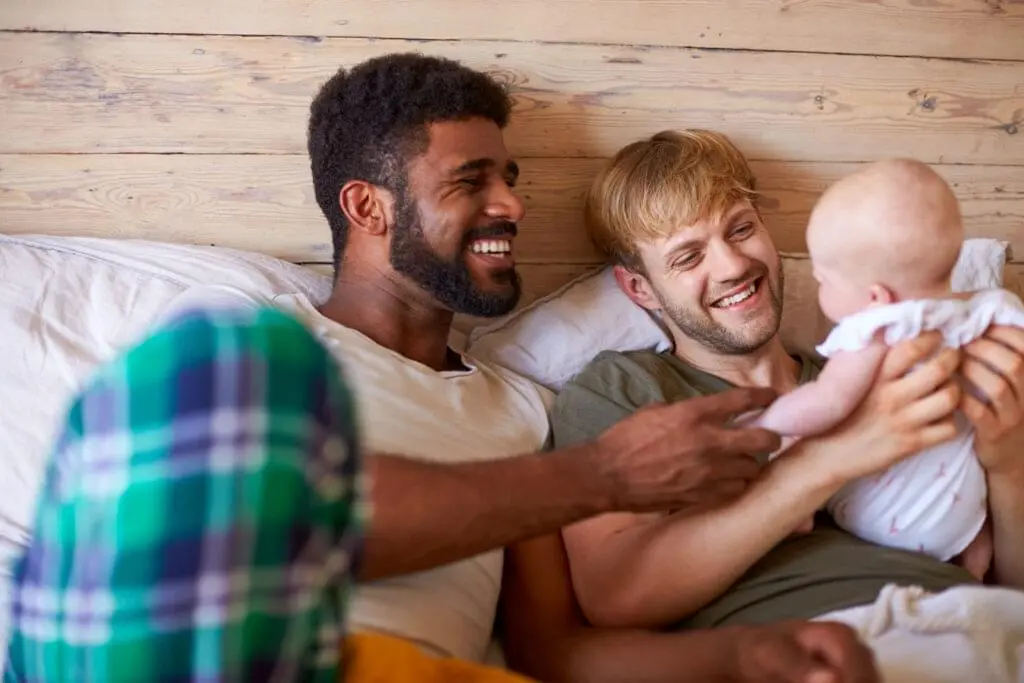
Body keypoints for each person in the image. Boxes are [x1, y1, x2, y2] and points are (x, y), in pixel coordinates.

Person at [2, 55, 880, 682]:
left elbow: (558, 653)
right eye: (472, 181)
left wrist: (746, 658)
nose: (512, 204)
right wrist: (599, 476)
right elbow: (245, 528)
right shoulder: (244, 338)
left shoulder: (521, 414)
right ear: (366, 206)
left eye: (511, 176)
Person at [530, 129, 1024, 682]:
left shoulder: (892, 372)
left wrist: (1008, 465)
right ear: (641, 289)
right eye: (688, 256)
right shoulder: (625, 389)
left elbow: (1008, 583)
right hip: (833, 652)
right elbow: (616, 593)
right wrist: (827, 459)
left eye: (741, 229)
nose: (732, 266)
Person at [750, 158, 1024, 581]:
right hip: (963, 514)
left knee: (797, 439)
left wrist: (767, 422)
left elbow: (828, 402)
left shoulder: (876, 332)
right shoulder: (988, 310)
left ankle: (799, 513)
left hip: (891, 519)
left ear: (876, 297)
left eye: (823, 281)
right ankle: (974, 554)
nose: (820, 290)